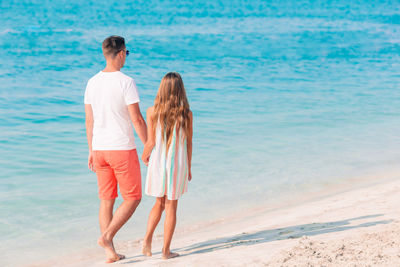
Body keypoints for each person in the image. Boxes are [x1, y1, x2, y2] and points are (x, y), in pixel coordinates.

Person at [84, 35, 147, 263]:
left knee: (107, 200)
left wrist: (91, 150)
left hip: (99, 149)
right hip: (121, 148)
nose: (126, 57)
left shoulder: (92, 82)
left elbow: (89, 120)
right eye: (126, 53)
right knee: (133, 197)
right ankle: (107, 236)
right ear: (121, 53)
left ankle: (110, 253)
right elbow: (137, 119)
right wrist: (149, 144)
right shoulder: (126, 81)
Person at [141, 72, 193, 259]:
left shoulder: (152, 111)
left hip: (158, 163)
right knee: (171, 206)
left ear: (162, 89)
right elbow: (189, 143)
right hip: (177, 164)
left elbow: (150, 142)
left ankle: (147, 240)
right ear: (181, 90)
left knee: (158, 203)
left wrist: (145, 156)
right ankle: (165, 251)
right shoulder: (186, 114)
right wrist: (189, 167)